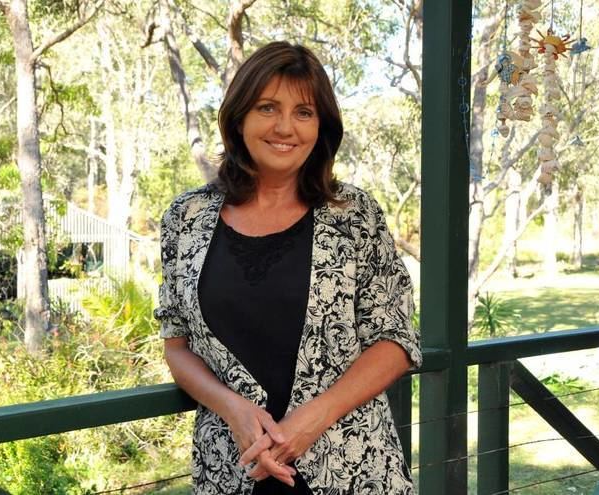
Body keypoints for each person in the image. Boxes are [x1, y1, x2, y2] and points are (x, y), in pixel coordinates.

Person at [154, 41, 422, 495]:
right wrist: (232, 408)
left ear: (322, 127)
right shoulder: (186, 217)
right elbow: (177, 345)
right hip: (234, 466)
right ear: (239, 118)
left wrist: (310, 420)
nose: (285, 127)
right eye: (267, 107)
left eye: (304, 112)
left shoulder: (354, 213)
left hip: (352, 465)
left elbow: (396, 339)